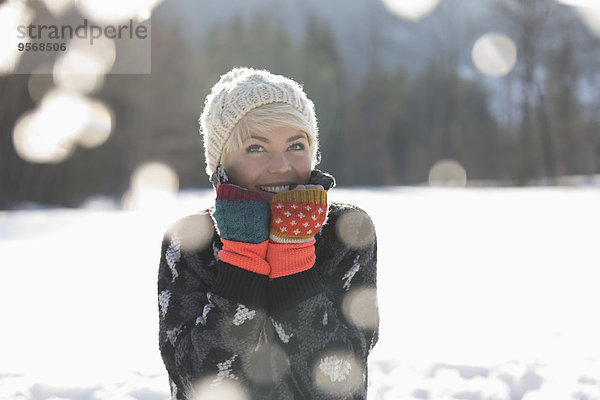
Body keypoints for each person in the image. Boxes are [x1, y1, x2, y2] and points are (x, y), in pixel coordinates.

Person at [158, 67, 379, 400]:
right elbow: (201, 386)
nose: (281, 166)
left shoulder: (346, 233)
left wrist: (294, 259)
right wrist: (241, 261)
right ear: (221, 162)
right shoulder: (190, 242)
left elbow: (340, 387)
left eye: (295, 145)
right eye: (256, 148)